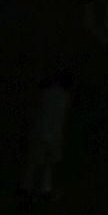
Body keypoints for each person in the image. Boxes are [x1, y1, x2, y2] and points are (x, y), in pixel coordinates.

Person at [22, 70, 73, 203]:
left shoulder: (46, 94)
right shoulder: (64, 96)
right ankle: (42, 191)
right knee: (47, 165)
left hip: (41, 134)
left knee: (34, 163)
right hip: (53, 135)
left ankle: (28, 190)